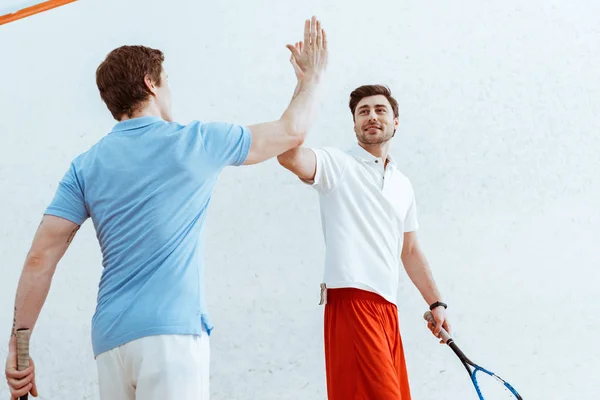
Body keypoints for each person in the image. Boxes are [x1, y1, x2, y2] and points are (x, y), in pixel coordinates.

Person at [5, 16, 328, 400]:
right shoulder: (197, 141)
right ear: (150, 84)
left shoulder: (85, 166)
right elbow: (292, 130)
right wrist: (311, 79)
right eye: (167, 81)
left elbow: (40, 259)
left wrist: (19, 348)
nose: (170, 90)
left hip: (110, 343)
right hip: (171, 338)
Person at [277, 44, 450, 400]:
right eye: (363, 111)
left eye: (380, 110)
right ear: (354, 122)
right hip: (351, 303)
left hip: (388, 309)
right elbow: (288, 154)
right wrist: (307, 85)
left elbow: (411, 250)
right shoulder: (337, 165)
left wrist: (436, 304)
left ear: (395, 121)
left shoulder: (402, 184)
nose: (372, 116)